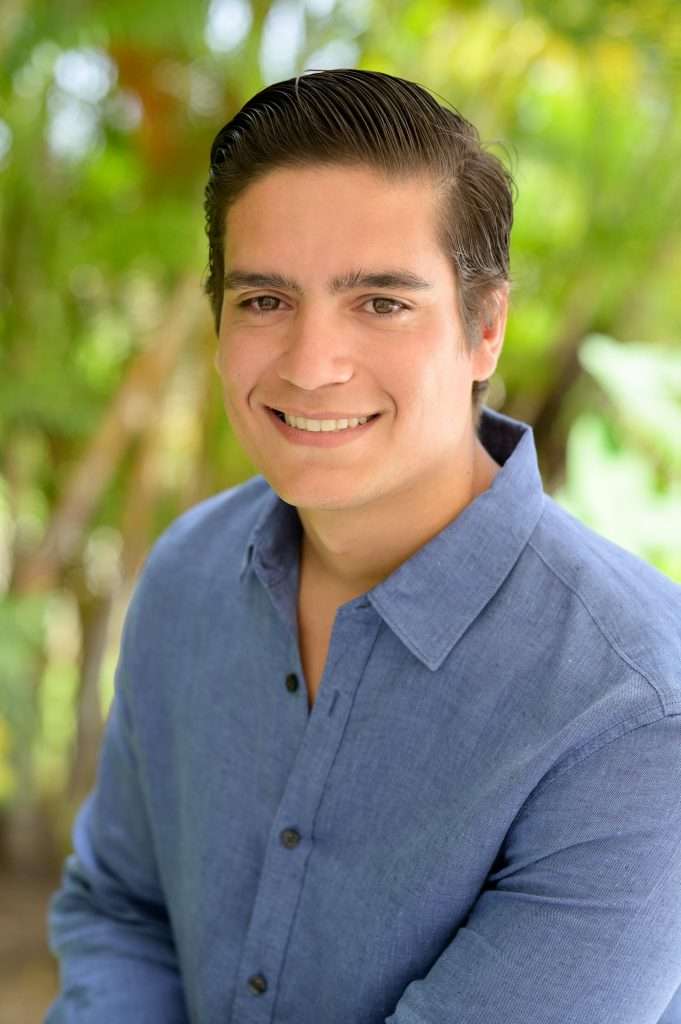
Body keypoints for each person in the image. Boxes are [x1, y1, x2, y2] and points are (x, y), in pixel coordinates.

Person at [45, 69, 681, 1024]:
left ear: (484, 330)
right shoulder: (184, 577)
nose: (310, 366)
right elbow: (122, 913)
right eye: (265, 300)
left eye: (380, 302)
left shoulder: (636, 709)